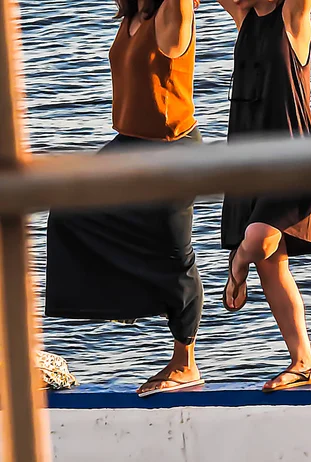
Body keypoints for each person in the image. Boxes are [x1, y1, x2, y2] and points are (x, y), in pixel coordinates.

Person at [45, 0, 205, 398]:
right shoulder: (133, 16)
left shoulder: (173, 13)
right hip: (128, 144)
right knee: (70, 210)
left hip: (173, 148)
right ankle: (127, 297)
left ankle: (186, 364)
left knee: (174, 254)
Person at [217, 0, 311, 392]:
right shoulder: (244, 18)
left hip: (290, 155)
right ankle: (303, 362)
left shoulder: (293, 15)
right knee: (271, 263)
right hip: (248, 155)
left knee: (258, 240)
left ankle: (237, 265)